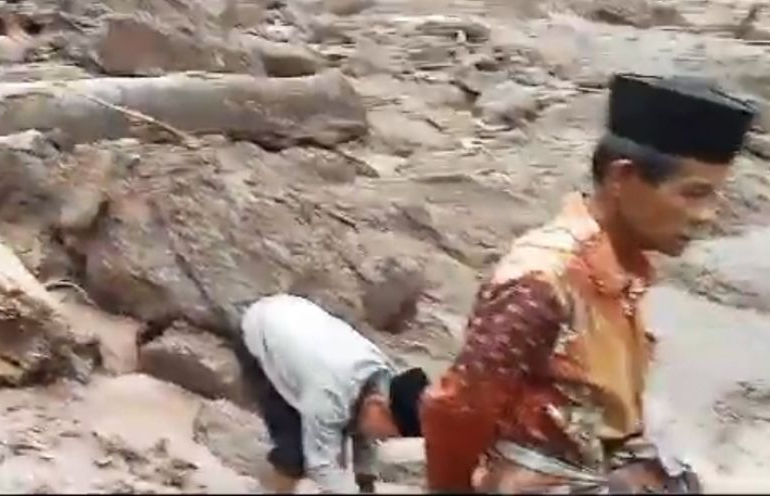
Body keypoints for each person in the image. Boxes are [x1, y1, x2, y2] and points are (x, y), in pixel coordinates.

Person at [421, 73, 758, 494]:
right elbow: (457, 409)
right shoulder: (542, 280)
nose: (707, 216)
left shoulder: (622, 268)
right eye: (693, 194)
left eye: (715, 198)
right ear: (622, 178)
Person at [237, 293, 430, 494]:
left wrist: (366, 480)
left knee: (346, 424)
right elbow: (321, 465)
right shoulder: (329, 396)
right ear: (378, 405)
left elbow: (366, 432)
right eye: (390, 434)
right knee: (294, 452)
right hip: (262, 331)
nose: (385, 439)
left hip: (296, 318)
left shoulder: (382, 380)